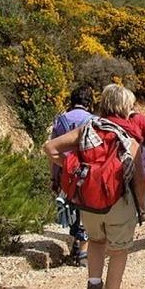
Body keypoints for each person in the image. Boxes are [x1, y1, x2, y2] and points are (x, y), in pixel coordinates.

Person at [44, 84, 145, 289]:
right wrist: (141, 205)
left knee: (96, 242)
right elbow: (140, 178)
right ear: (125, 107)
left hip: (89, 201)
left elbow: (50, 147)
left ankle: (94, 282)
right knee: (118, 251)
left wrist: (74, 168)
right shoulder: (129, 138)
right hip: (119, 201)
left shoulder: (87, 129)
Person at [50, 85, 95, 267]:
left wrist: (54, 176)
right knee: (86, 210)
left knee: (70, 208)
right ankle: (82, 253)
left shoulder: (60, 121)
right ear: (89, 102)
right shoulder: (94, 120)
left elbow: (52, 150)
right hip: (86, 173)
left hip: (65, 172)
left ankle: (75, 245)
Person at [105, 92, 145, 220]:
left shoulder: (94, 124)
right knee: (141, 180)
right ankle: (143, 207)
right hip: (135, 157)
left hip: (99, 189)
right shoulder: (139, 120)